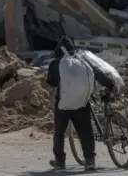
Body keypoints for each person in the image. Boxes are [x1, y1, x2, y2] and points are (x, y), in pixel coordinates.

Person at [46, 37, 96, 171]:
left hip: (64, 105)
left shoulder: (57, 63)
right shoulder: (83, 61)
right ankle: (90, 160)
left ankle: (60, 161)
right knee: (86, 131)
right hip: (82, 103)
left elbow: (51, 82)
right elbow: (95, 74)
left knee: (59, 133)